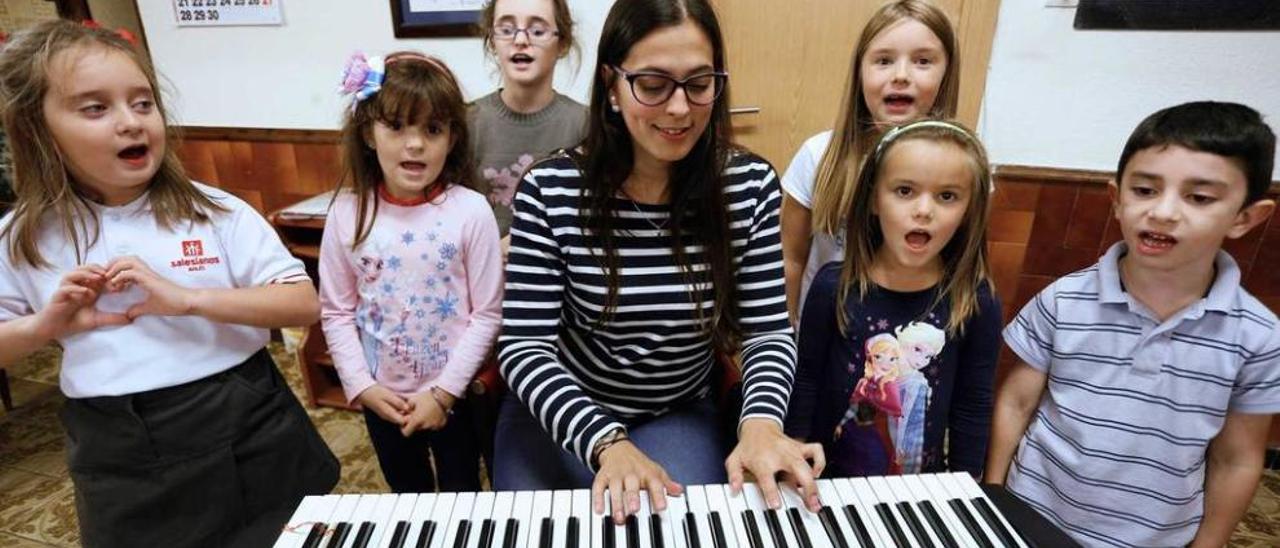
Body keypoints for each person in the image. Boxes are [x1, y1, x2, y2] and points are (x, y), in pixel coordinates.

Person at [0, 20, 338, 547]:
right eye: (95, 108)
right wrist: (45, 325)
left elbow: (301, 302)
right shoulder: (21, 236)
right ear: (35, 129)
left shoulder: (216, 212)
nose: (131, 123)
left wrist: (188, 299)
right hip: (117, 444)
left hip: (246, 416)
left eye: (143, 103)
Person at [495, 0, 825, 523]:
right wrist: (606, 441)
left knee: (683, 527)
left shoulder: (748, 186)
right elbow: (524, 348)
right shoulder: (550, 190)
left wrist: (760, 422)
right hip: (561, 411)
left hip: (675, 409)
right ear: (611, 83)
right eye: (652, 84)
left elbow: (767, 332)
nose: (679, 109)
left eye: (699, 83)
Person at [987, 101, 1280, 547]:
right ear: (1116, 199)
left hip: (1155, 538)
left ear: (1245, 217)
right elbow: (1017, 402)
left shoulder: (1258, 338)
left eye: (1199, 197)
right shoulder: (1063, 300)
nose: (1163, 212)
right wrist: (995, 497)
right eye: (1144, 190)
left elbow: (1236, 460)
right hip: (1033, 514)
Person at [320, 51, 503, 493]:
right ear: (368, 132)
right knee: (408, 499)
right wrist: (363, 388)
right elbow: (337, 312)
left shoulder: (471, 211)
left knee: (464, 499)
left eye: (433, 129)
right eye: (397, 126)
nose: (415, 144)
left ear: (452, 138)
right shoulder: (347, 214)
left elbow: (488, 314)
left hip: (453, 398)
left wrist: (442, 395)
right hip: (382, 399)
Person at [785, 120, 1000, 478]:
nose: (924, 210)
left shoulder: (977, 301)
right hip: (824, 482)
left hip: (918, 494)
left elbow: (972, 404)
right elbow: (805, 379)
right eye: (904, 191)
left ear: (969, 212)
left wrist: (968, 488)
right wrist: (791, 455)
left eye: (947, 196)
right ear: (873, 199)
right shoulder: (831, 287)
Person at [780, 0, 960, 326]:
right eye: (884, 60)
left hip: (907, 351)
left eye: (922, 61)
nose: (901, 75)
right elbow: (790, 256)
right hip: (819, 344)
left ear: (946, 72)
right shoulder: (817, 155)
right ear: (860, 70)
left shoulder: (964, 171)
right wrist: (784, 336)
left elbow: (964, 268)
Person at [471, 0, 587, 242]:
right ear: (492, 41)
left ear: (562, 43)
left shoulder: (586, 125)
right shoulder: (466, 121)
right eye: (506, 29)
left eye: (537, 31)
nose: (521, 40)